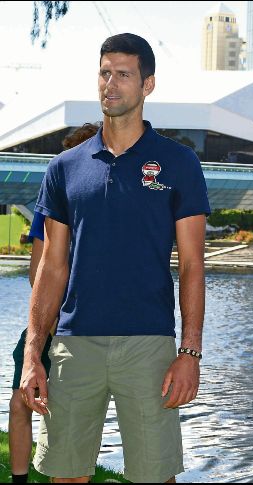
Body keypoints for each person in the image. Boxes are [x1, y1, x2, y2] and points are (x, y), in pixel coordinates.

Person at [20, 33, 210, 483]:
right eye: (105, 73)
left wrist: (190, 352)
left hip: (148, 344)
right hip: (73, 344)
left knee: (154, 476)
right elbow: (52, 266)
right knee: (65, 474)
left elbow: (192, 266)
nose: (111, 83)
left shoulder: (178, 162)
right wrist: (33, 354)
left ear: (148, 85)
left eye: (123, 74)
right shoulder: (64, 167)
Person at [8, 122, 100, 484]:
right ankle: (18, 479)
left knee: (71, 418)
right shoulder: (48, 212)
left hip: (87, 332)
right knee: (21, 401)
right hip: (48, 325)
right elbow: (38, 276)